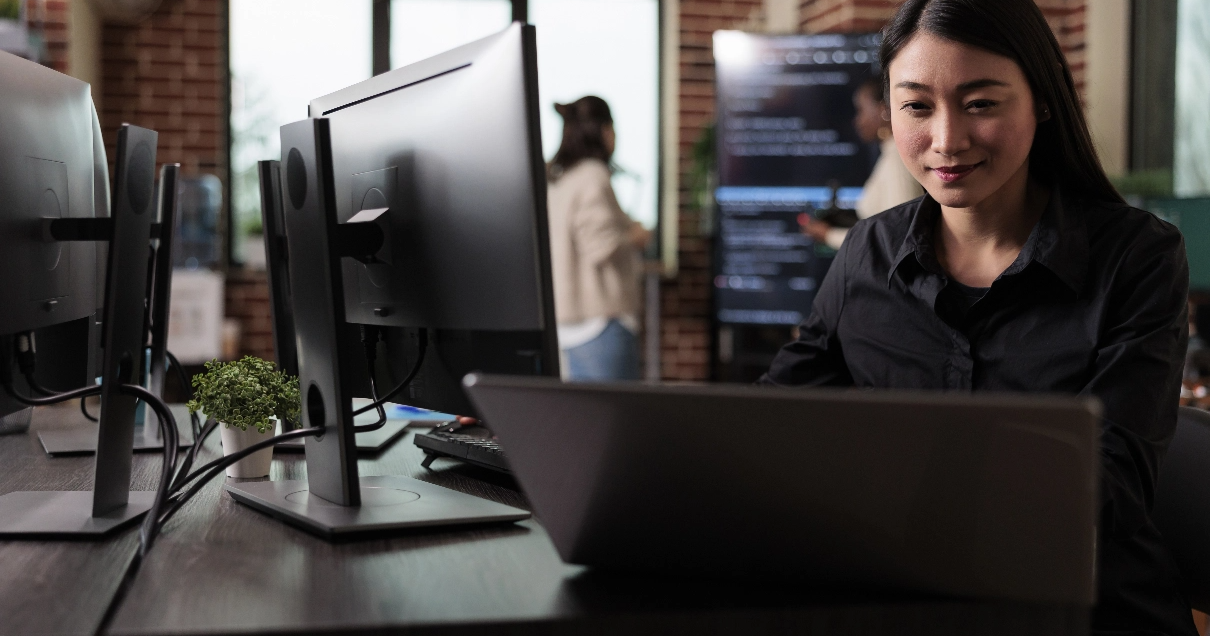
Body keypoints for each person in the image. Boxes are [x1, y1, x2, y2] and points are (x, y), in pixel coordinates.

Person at [761, 1, 1195, 634]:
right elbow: (768, 424)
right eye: (916, 106)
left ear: (1042, 101)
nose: (946, 140)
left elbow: (1106, 485)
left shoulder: (1137, 257)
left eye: (981, 103)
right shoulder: (867, 255)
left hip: (1090, 613)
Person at [546, 96, 650, 381]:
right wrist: (634, 236)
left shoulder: (560, 177)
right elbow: (599, 246)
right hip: (600, 322)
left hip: (572, 324)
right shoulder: (593, 176)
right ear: (603, 130)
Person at [801, 77, 922, 249]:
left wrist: (828, 235)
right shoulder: (891, 153)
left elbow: (898, 237)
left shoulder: (898, 159)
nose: (857, 120)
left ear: (884, 110)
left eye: (861, 110)